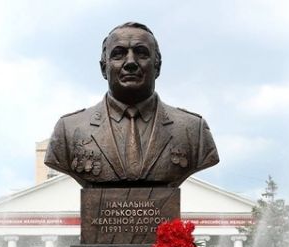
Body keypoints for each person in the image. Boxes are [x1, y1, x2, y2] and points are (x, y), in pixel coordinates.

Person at [45, 22, 218, 187]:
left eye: (141, 52)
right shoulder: (68, 130)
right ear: (103, 68)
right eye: (118, 54)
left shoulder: (193, 130)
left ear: (157, 66)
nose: (130, 62)